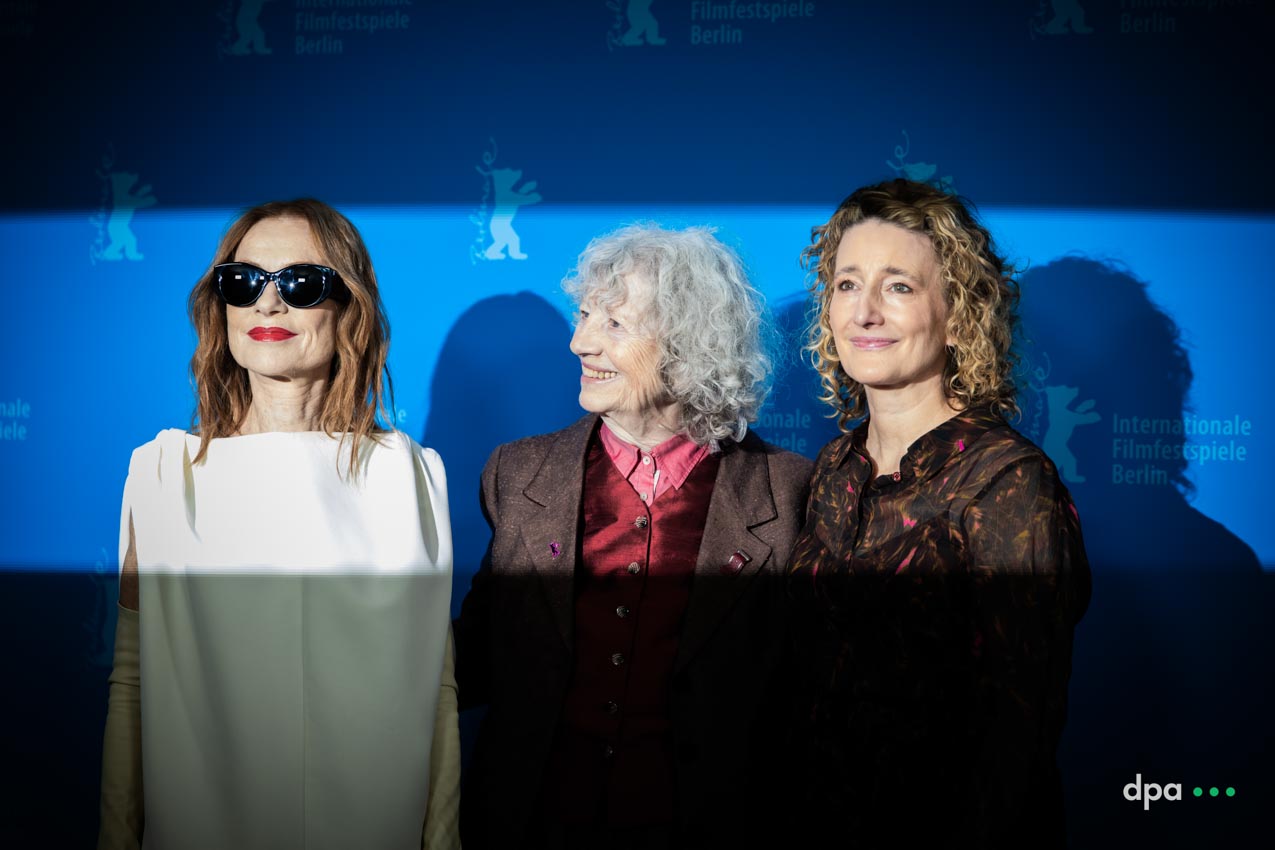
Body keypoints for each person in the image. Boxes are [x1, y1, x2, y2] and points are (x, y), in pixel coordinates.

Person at [97, 199, 460, 850]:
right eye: (242, 282)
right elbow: (132, 684)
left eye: (300, 283)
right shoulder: (160, 474)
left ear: (348, 304)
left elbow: (437, 693)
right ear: (222, 307)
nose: (267, 304)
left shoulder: (410, 476)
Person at [454, 224, 812, 849]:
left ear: (691, 344)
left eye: (614, 324)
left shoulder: (791, 492)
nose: (579, 342)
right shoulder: (515, 474)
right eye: (585, 315)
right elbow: (474, 661)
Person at [785, 179, 1092, 848]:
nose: (863, 312)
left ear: (957, 315)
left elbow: (1021, 729)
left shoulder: (1007, 481)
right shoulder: (830, 470)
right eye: (845, 284)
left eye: (898, 286)